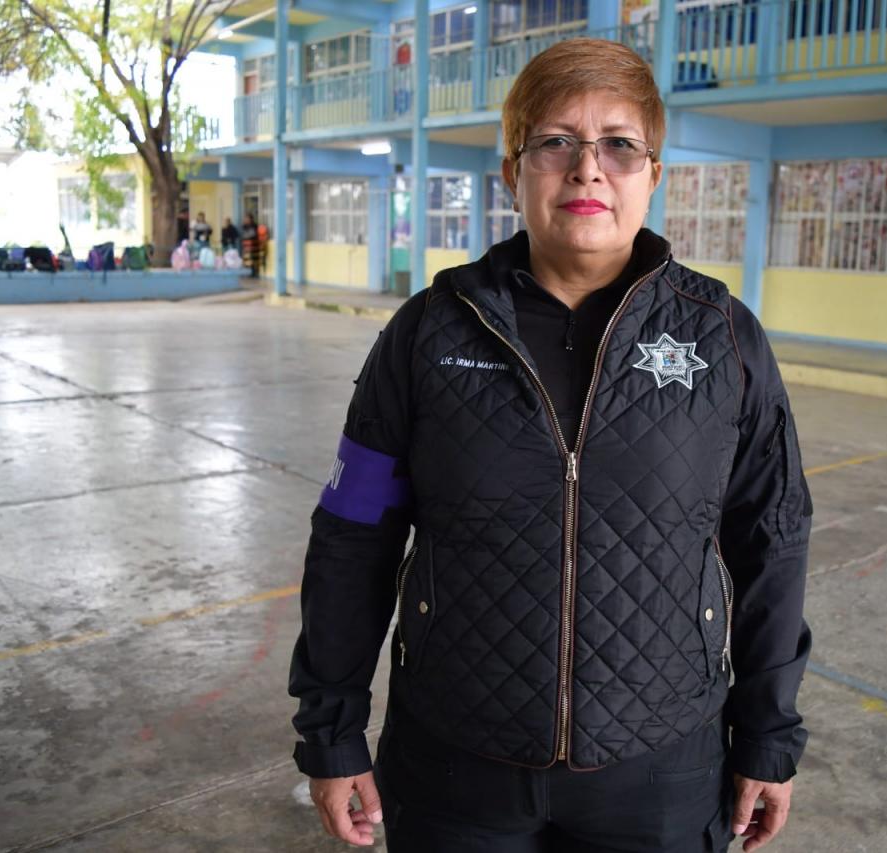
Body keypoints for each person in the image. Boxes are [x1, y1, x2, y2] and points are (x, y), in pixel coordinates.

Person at [289, 38, 813, 853]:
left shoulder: (724, 339)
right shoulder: (427, 335)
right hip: (455, 764)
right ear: (513, 171)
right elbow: (354, 533)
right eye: (556, 142)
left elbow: (772, 541)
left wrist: (768, 733)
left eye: (619, 145)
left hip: (662, 768)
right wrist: (333, 728)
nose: (588, 169)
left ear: (653, 173)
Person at [240, 213, 262, 278]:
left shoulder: (254, 226)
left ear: (251, 219)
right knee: (246, 260)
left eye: (247, 219)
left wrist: (246, 236)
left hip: (253, 247)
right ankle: (248, 272)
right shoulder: (244, 226)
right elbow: (243, 235)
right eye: (245, 219)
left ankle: (254, 273)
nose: (245, 220)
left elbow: (252, 235)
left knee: (253, 260)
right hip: (246, 247)